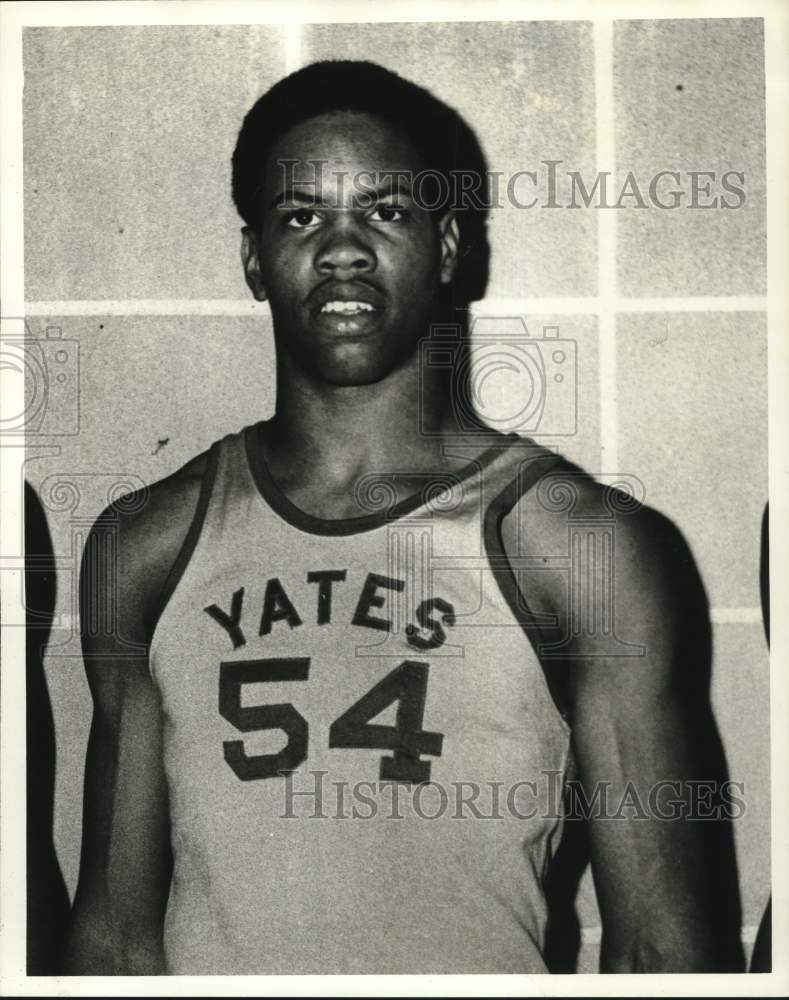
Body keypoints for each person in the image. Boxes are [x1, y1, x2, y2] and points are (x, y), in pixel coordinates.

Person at [66, 60, 742, 974]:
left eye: (384, 212)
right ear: (254, 259)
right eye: (300, 216)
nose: (341, 250)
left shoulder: (575, 543)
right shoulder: (146, 543)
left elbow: (664, 950)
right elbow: (111, 945)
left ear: (449, 250)